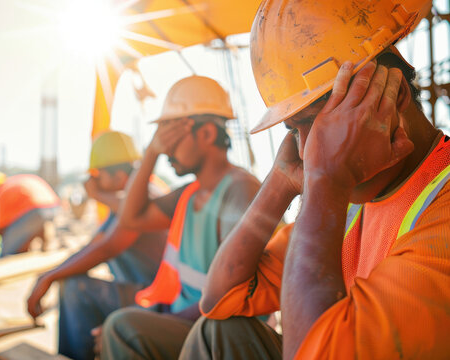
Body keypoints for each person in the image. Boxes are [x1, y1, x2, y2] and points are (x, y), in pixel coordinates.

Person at [180, 0, 450, 359]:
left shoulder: (438, 210)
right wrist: (281, 181)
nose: (307, 151)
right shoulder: (348, 204)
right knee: (217, 333)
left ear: (393, 95)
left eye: (317, 122)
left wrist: (327, 181)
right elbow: (221, 297)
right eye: (295, 130)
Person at [97, 75, 261, 359]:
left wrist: (156, 323)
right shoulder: (190, 193)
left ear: (207, 134)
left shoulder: (240, 190)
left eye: (171, 136)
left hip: (222, 333)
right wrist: (151, 153)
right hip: (190, 319)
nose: (166, 149)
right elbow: (130, 219)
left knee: (121, 328)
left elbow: (233, 293)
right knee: (119, 321)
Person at [26, 131, 168, 360]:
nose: (90, 183)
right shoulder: (124, 202)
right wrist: (50, 274)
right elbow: (93, 247)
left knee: (76, 289)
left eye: (97, 175)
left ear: (119, 176)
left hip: (157, 300)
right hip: (140, 291)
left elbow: (106, 250)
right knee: (71, 280)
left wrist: (49, 279)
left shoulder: (143, 199)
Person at [0, 171, 60, 257]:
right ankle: (45, 245)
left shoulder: (2, 192)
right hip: (53, 207)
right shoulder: (14, 182)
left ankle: (23, 249)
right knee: (34, 223)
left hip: (35, 211)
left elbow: (0, 226)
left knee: (7, 252)